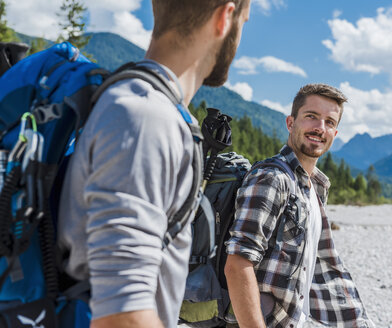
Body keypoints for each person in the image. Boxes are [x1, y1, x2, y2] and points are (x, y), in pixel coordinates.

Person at [57, 1, 250, 327]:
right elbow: (122, 315)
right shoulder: (146, 117)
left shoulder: (152, 109)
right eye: (244, 21)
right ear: (225, 18)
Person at [224, 84, 375, 328]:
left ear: (335, 134)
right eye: (311, 117)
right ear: (290, 123)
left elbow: (315, 266)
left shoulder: (314, 186)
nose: (320, 128)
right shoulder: (272, 178)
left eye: (329, 122)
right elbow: (238, 264)